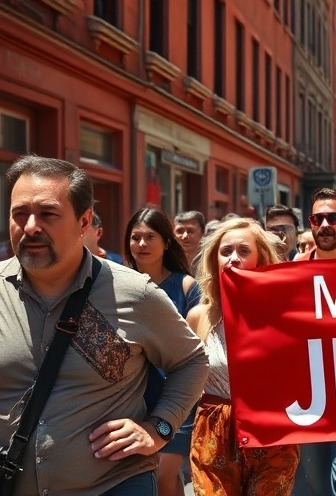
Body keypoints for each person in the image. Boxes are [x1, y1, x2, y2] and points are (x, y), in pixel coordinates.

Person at [0, 155, 208, 495]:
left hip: (113, 484)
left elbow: (191, 361)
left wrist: (159, 428)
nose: (31, 226)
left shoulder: (135, 294)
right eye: (19, 214)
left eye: (48, 214)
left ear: (84, 222)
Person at [187, 218, 298, 495]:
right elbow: (184, 376)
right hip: (213, 432)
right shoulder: (199, 317)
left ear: (261, 260)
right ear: (215, 261)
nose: (233, 258)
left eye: (244, 251)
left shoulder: (285, 314)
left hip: (271, 432)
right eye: (226, 251)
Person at [124, 207, 201, 496]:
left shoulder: (186, 286)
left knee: (164, 474)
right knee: (159, 481)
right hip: (129, 398)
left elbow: (197, 349)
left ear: (166, 242)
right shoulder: (114, 283)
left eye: (149, 237)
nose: (141, 244)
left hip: (177, 400)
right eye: (136, 237)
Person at [292, 188, 336, 496]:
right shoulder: (290, 275)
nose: (324, 225)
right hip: (307, 395)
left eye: (332, 218)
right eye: (316, 218)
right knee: (314, 480)